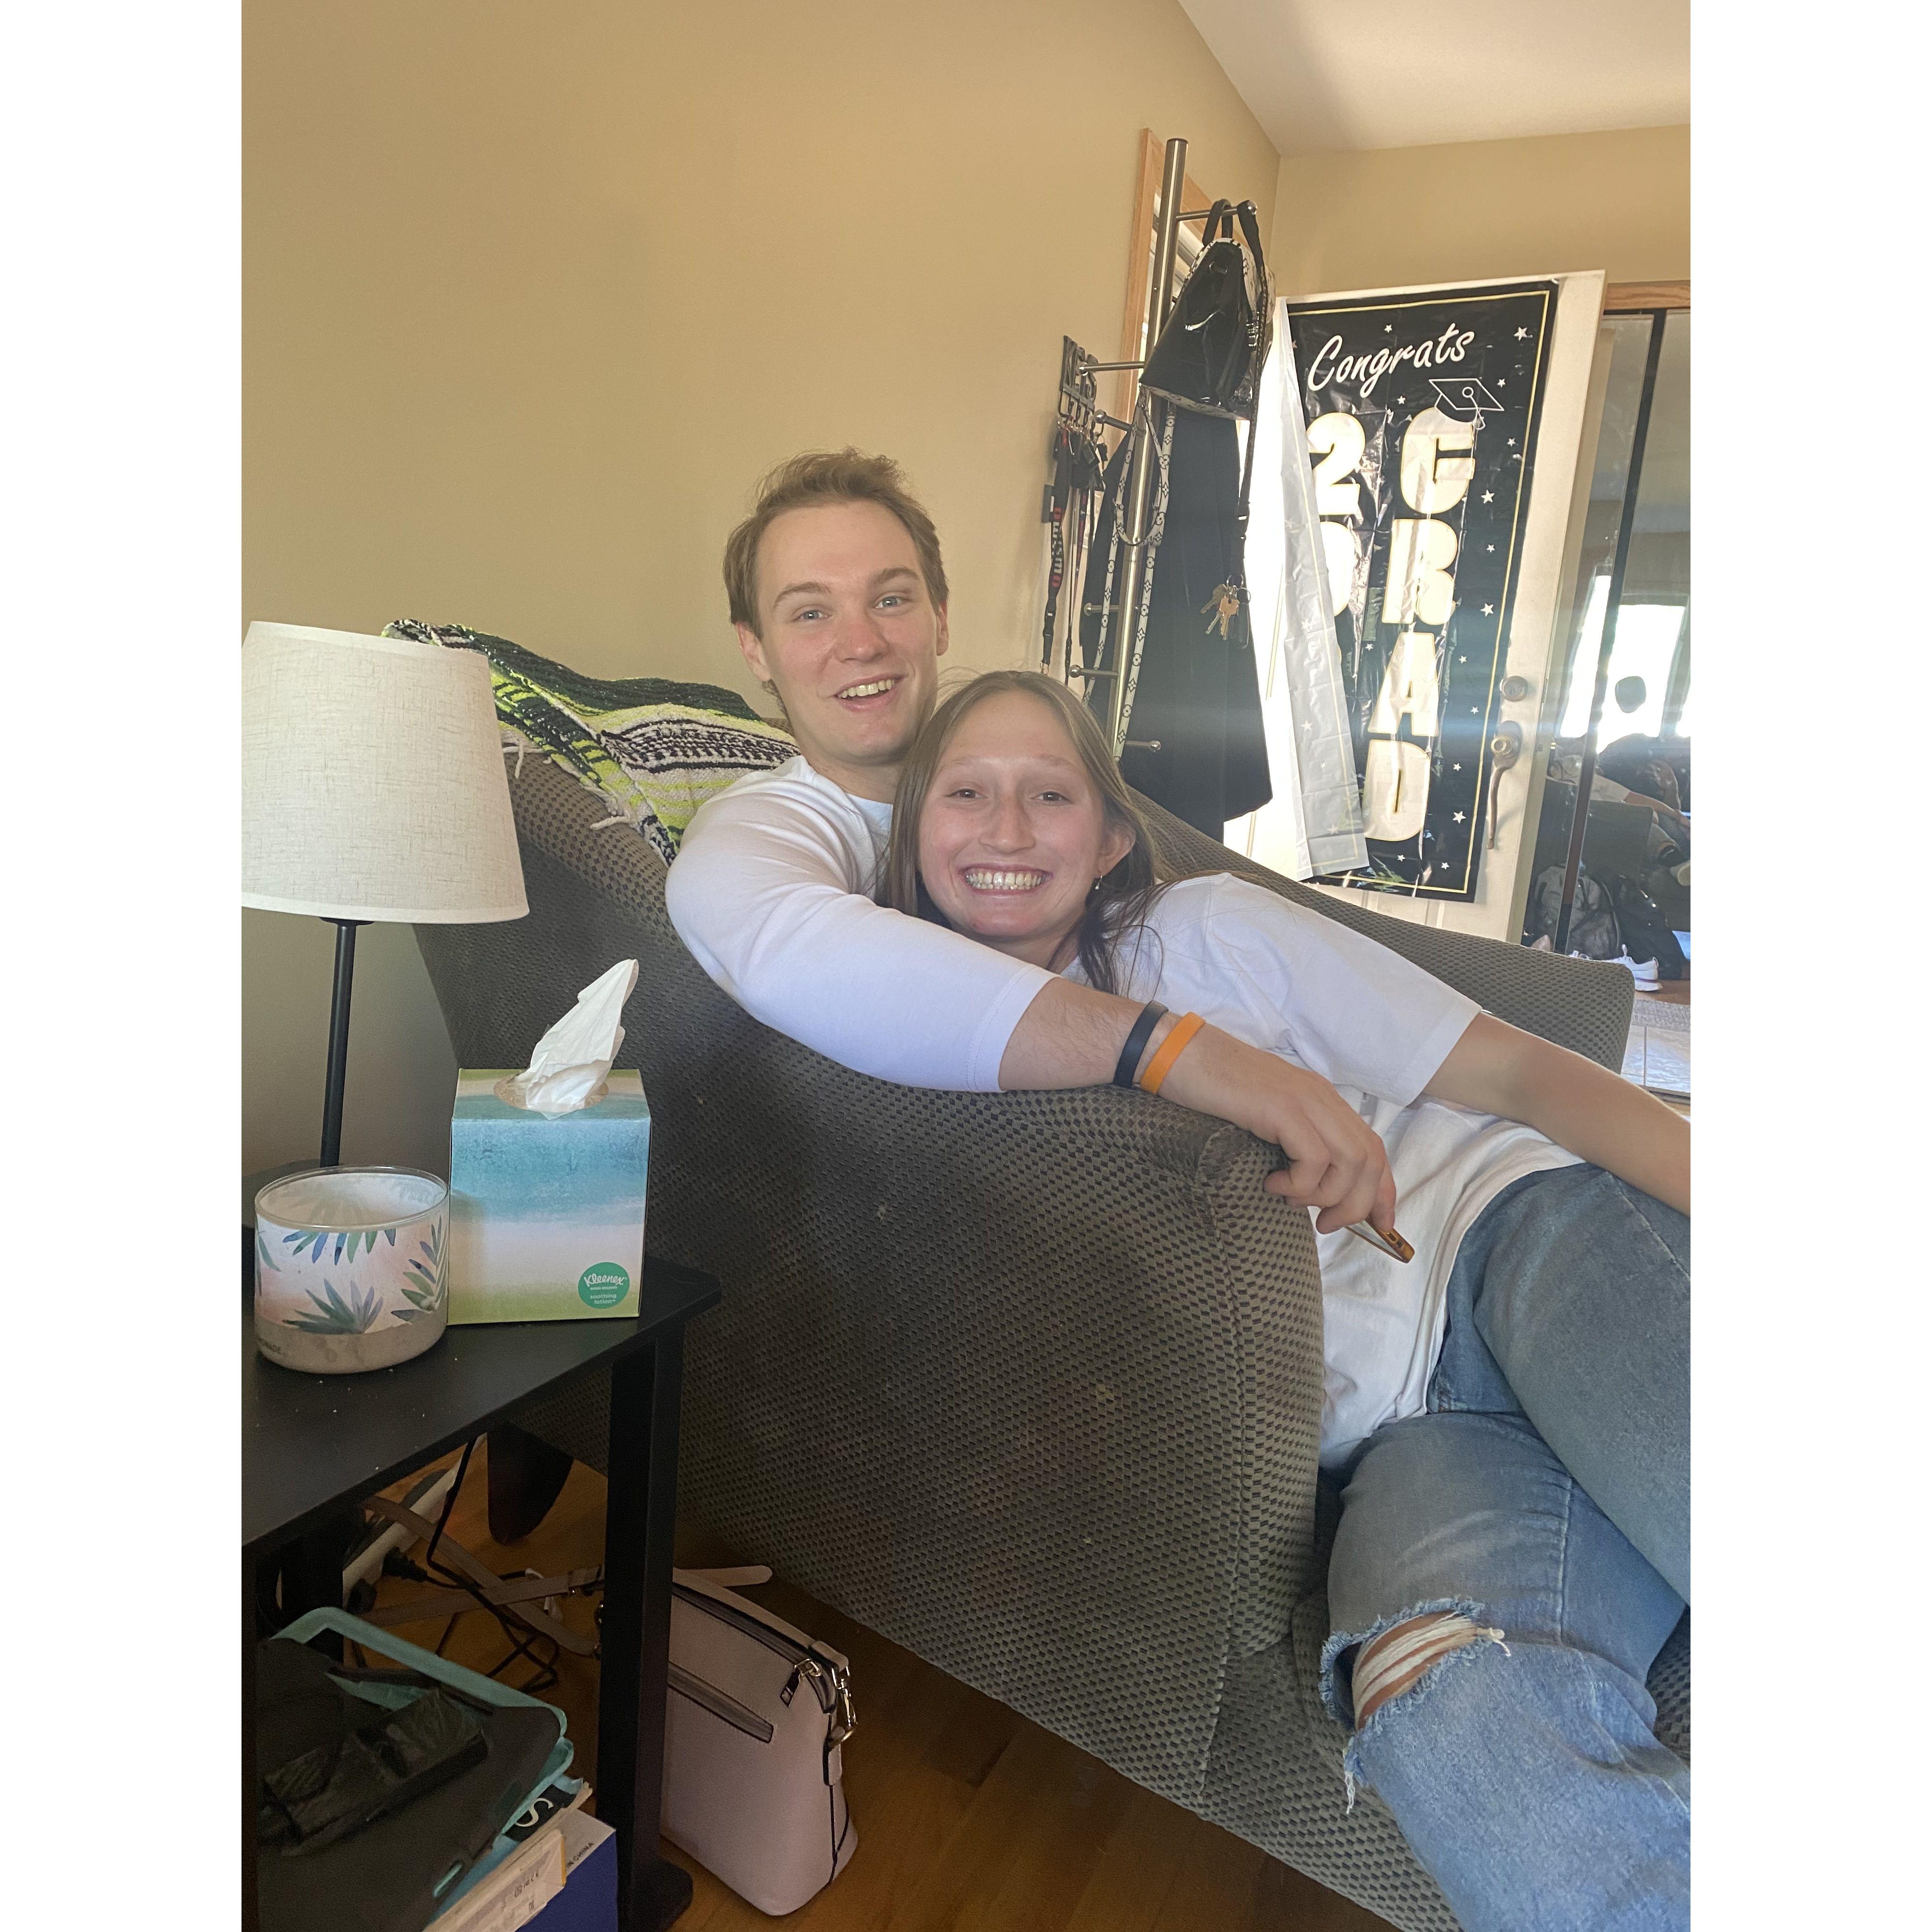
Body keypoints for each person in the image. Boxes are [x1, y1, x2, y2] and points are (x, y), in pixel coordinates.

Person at [877, 669, 1690, 1932]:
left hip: (1513, 1236)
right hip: (1407, 1435)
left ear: (1111, 840)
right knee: (1440, 1714)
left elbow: (1524, 1075)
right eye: (966, 793)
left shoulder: (1206, 935)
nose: (1007, 828)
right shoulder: (898, 1039)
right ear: (913, 828)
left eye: (1051, 795)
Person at [666, 450, 1400, 1238]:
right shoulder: (765, 831)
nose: (861, 642)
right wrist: (1183, 1054)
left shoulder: (1042, 760)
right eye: (811, 613)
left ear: (940, 618)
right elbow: (778, 941)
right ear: (754, 648)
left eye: (891, 599)